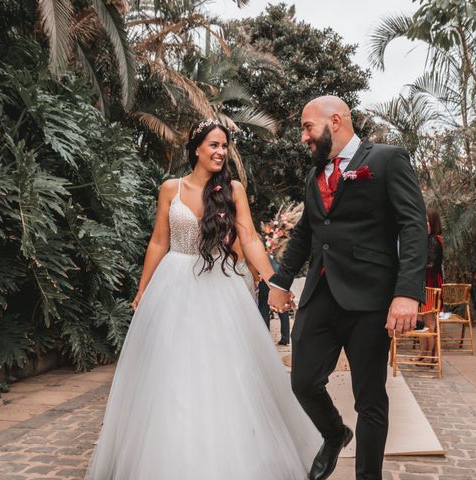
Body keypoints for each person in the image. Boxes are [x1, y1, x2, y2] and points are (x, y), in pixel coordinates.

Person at [86, 120, 321, 480]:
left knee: (225, 369)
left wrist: (273, 281)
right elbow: (159, 242)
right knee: (170, 369)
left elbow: (251, 239)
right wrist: (142, 289)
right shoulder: (170, 188)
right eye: (213, 144)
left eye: (224, 146)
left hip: (219, 290)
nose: (220, 152)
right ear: (196, 148)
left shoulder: (233, 190)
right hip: (172, 287)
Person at [268, 96, 427, 480]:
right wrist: (281, 280)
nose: (303, 136)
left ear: (335, 121)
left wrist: (407, 293)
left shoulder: (387, 160)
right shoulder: (313, 175)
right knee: (303, 381)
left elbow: (413, 225)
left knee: (370, 398)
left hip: (371, 300)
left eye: (308, 127)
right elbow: (306, 233)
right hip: (321, 295)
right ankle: (335, 433)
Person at [417, 208, 444, 359]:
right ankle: (424, 353)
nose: (424, 224)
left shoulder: (433, 240)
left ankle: (431, 355)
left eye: (427, 221)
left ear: (433, 223)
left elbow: (430, 263)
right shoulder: (427, 239)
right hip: (425, 283)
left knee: (428, 321)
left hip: (430, 285)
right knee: (422, 320)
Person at [258, 254, 291, 345]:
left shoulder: (260, 255)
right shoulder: (275, 259)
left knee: (264, 309)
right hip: (280, 279)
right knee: (282, 310)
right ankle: (285, 338)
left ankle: (266, 338)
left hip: (266, 281)